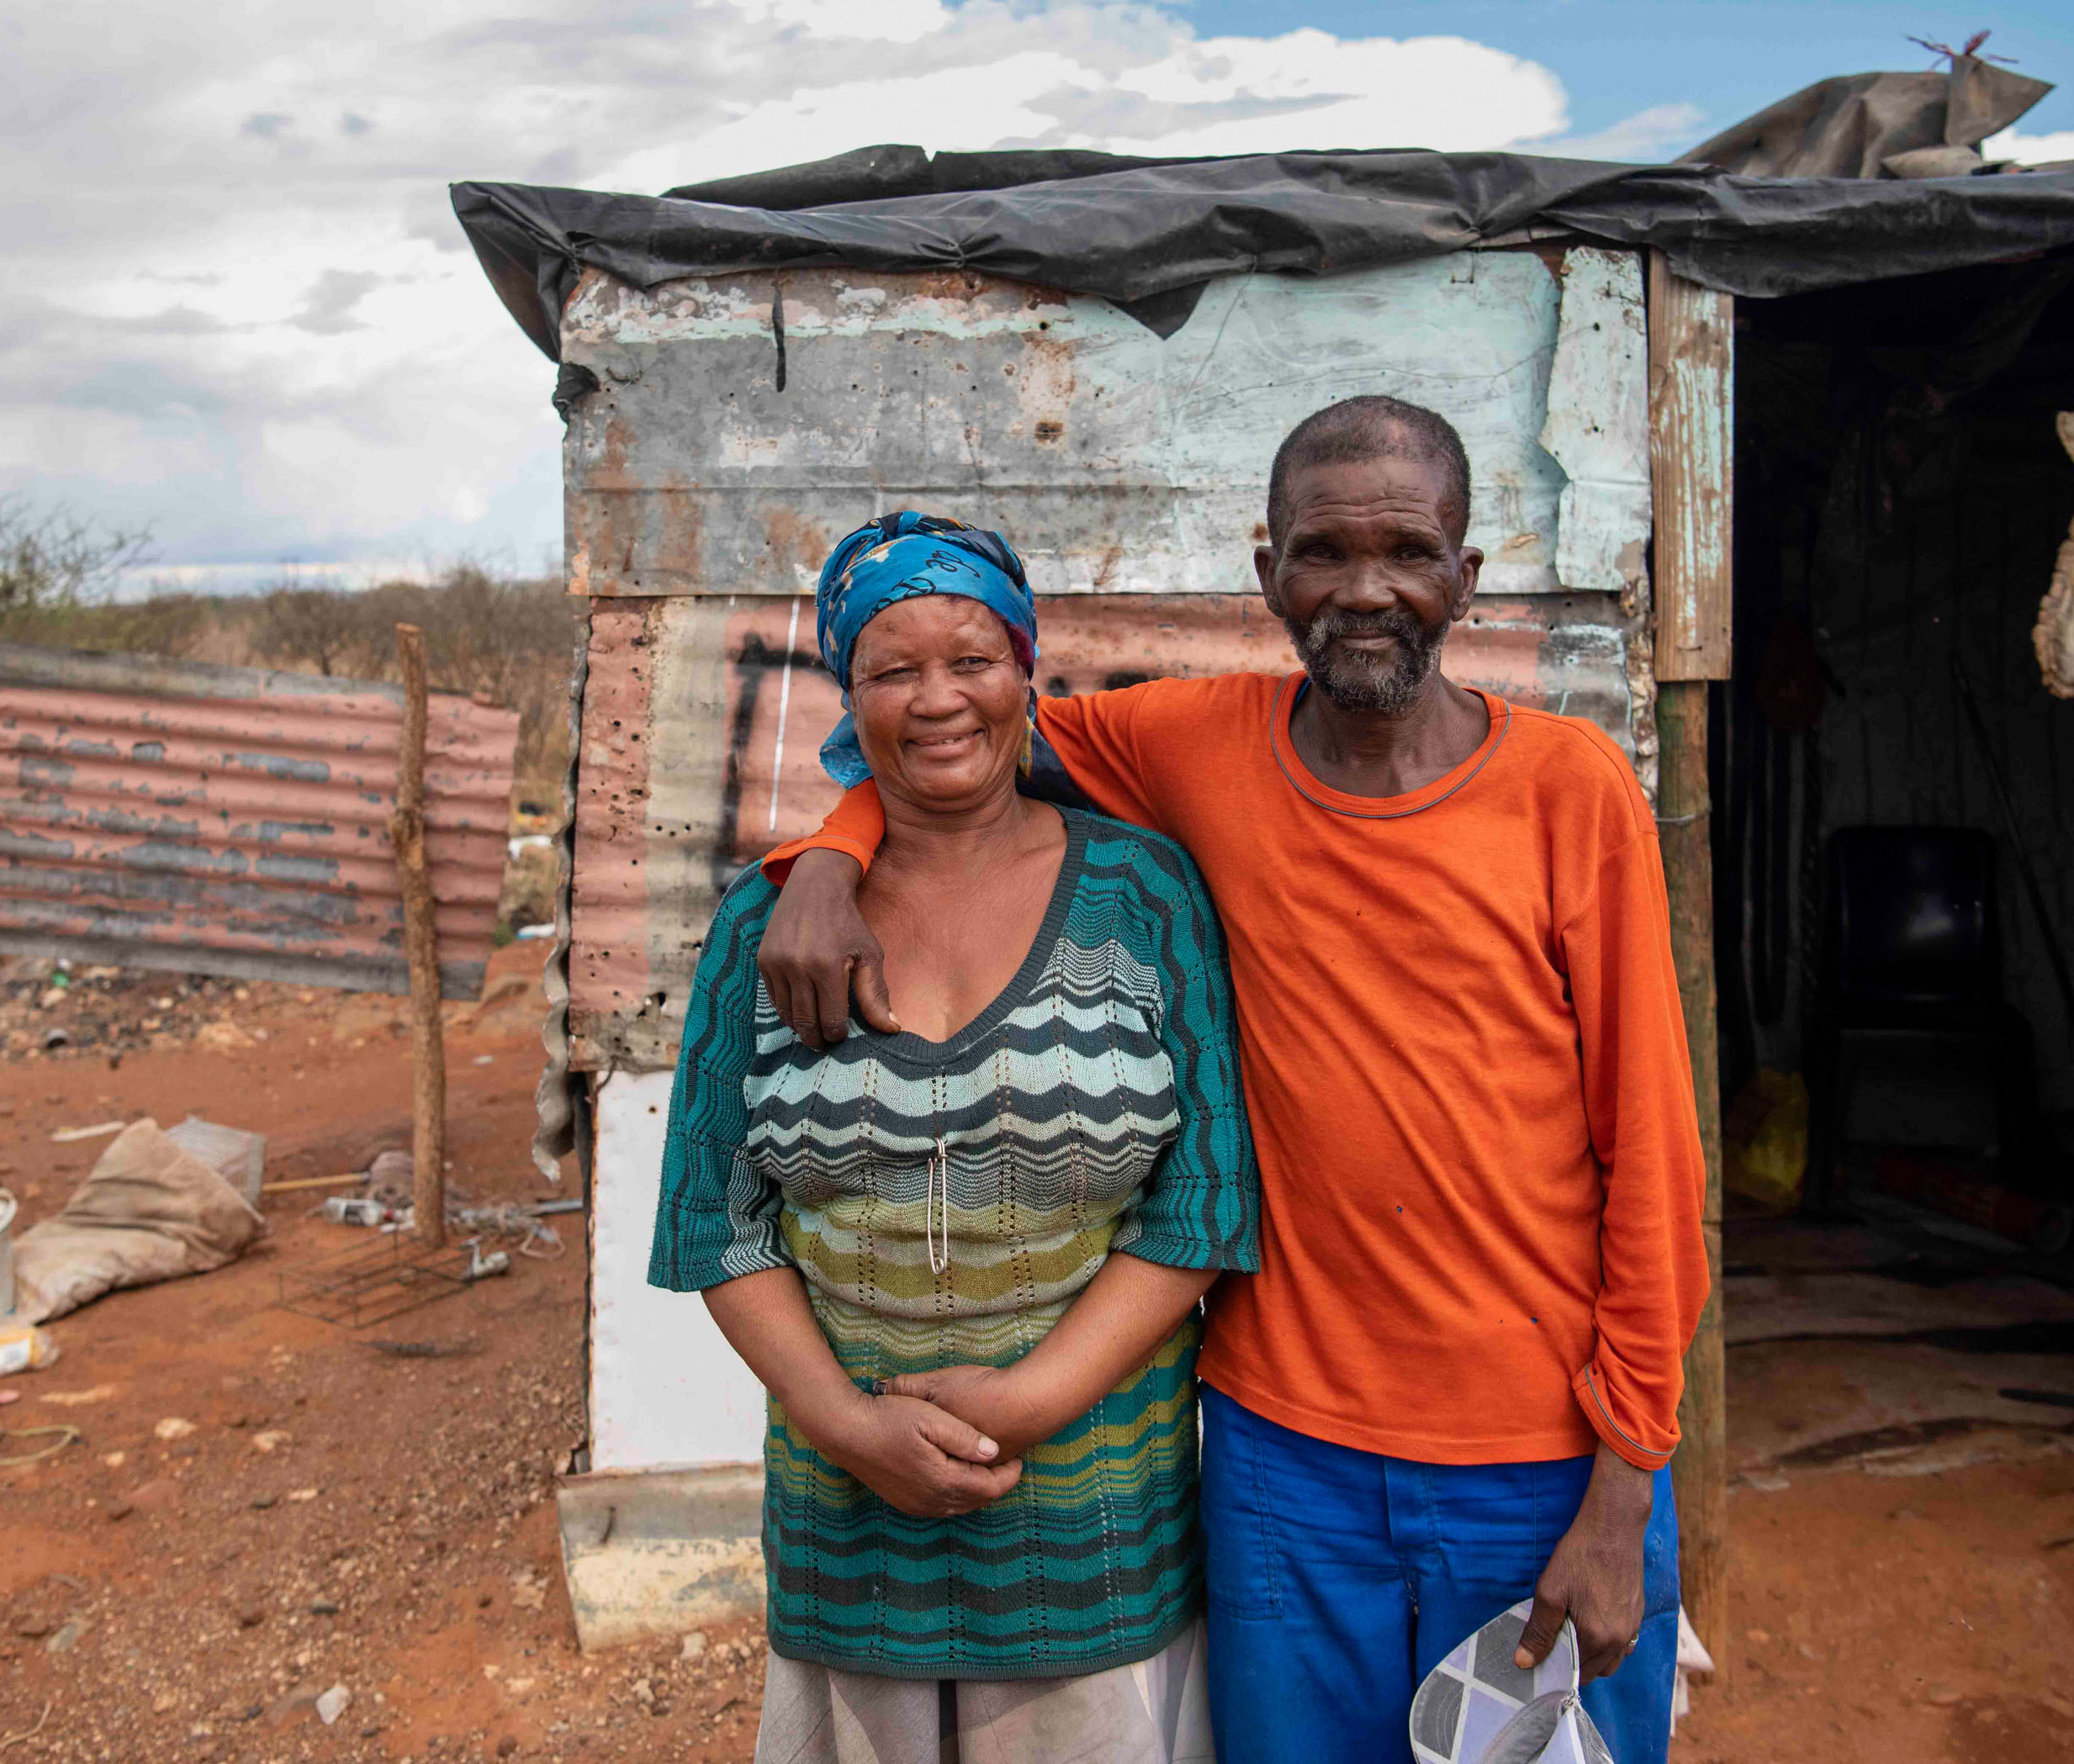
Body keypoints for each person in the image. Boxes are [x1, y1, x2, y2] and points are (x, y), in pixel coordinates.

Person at [758, 399, 1709, 1764]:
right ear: (1268, 577)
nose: (1366, 589)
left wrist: (1627, 1484)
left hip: (1545, 1463)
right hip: (1279, 1460)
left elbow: (1657, 1158)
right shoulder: (1191, 748)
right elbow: (947, 740)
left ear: (1467, 577)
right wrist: (833, 857)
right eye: (1324, 553)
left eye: (1409, 551)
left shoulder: (1572, 791)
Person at [648, 511, 1263, 1764]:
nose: (939, 700)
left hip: (1093, 1530)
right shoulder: (765, 928)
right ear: (846, 689)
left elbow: (1203, 1200)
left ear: (1027, 667)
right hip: (848, 1534)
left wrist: (1035, 1400)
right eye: (892, 668)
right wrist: (849, 1425)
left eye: (973, 658)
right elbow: (716, 1218)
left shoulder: (1142, 894)